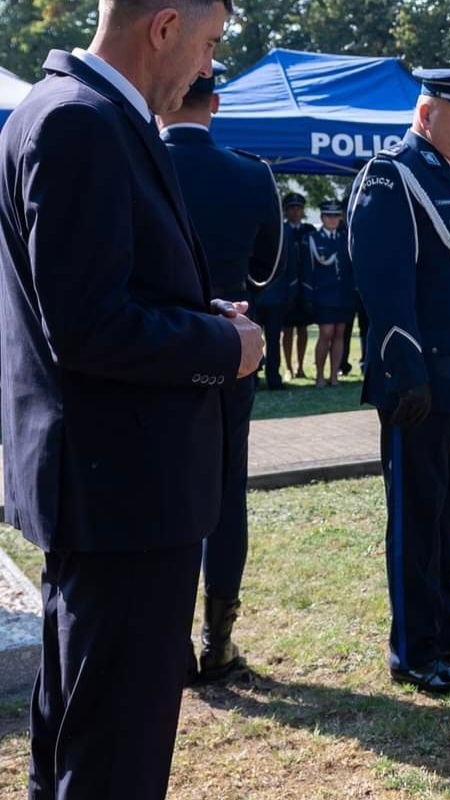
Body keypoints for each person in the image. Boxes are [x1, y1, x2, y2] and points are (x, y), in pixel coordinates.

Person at [0, 0, 265, 796]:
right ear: (164, 27)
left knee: (81, 728)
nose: (205, 69)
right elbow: (86, 326)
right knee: (115, 746)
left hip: (107, 488)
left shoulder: (65, 113)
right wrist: (225, 345)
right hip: (124, 492)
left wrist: (198, 314)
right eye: (210, 44)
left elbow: (97, 294)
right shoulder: (81, 122)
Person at [347, 67, 450, 693]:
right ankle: (413, 648)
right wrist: (403, 369)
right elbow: (384, 284)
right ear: (426, 117)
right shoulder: (393, 176)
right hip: (419, 383)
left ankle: (448, 627)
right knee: (416, 516)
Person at [159, 58, 282, 682]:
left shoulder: (141, 166)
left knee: (159, 490)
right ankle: (219, 640)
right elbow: (264, 268)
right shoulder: (250, 175)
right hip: (230, 351)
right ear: (216, 104)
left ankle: (172, 642)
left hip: (152, 354)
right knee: (226, 492)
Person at [259, 192, 314, 389]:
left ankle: (274, 376)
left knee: (273, 340)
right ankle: (254, 377)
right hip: (259, 295)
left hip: (280, 294)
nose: (295, 211)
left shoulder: (287, 232)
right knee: (257, 339)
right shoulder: (257, 225)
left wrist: (291, 292)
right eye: (291, 207)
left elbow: (290, 264)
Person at [305, 200, 358, 387]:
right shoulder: (313, 238)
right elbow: (308, 270)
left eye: (336, 215)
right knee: (326, 333)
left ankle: (334, 375)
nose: (332, 219)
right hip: (323, 295)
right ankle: (320, 375)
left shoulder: (345, 237)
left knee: (340, 333)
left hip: (343, 294)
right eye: (329, 215)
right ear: (322, 217)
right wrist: (308, 296)